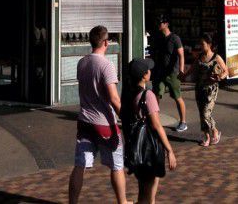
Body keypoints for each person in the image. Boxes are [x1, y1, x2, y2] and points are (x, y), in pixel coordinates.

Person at [69, 25, 127, 204]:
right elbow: (114, 98)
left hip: (84, 121)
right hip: (104, 123)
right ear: (105, 42)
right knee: (117, 165)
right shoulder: (106, 65)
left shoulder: (82, 62)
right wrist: (127, 118)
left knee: (80, 165)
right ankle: (122, 202)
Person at [123, 58, 177, 204]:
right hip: (149, 150)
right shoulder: (147, 95)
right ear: (144, 76)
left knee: (143, 190)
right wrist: (169, 150)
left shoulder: (129, 93)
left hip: (137, 149)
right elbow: (157, 125)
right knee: (148, 192)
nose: (150, 71)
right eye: (148, 70)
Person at [185, 33, 228, 147]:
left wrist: (219, 77)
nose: (200, 46)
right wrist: (184, 75)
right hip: (199, 88)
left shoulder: (216, 57)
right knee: (201, 114)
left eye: (202, 44)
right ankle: (207, 137)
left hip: (211, 89)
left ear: (209, 44)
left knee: (205, 113)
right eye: (200, 43)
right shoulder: (200, 56)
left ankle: (215, 131)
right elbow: (192, 68)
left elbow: (226, 71)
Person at [151, 16, 187, 131]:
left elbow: (181, 55)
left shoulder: (175, 38)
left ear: (166, 24)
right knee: (156, 95)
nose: (158, 24)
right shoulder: (159, 38)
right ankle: (154, 120)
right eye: (158, 22)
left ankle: (183, 122)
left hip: (172, 73)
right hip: (160, 72)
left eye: (160, 22)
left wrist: (181, 70)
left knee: (177, 97)